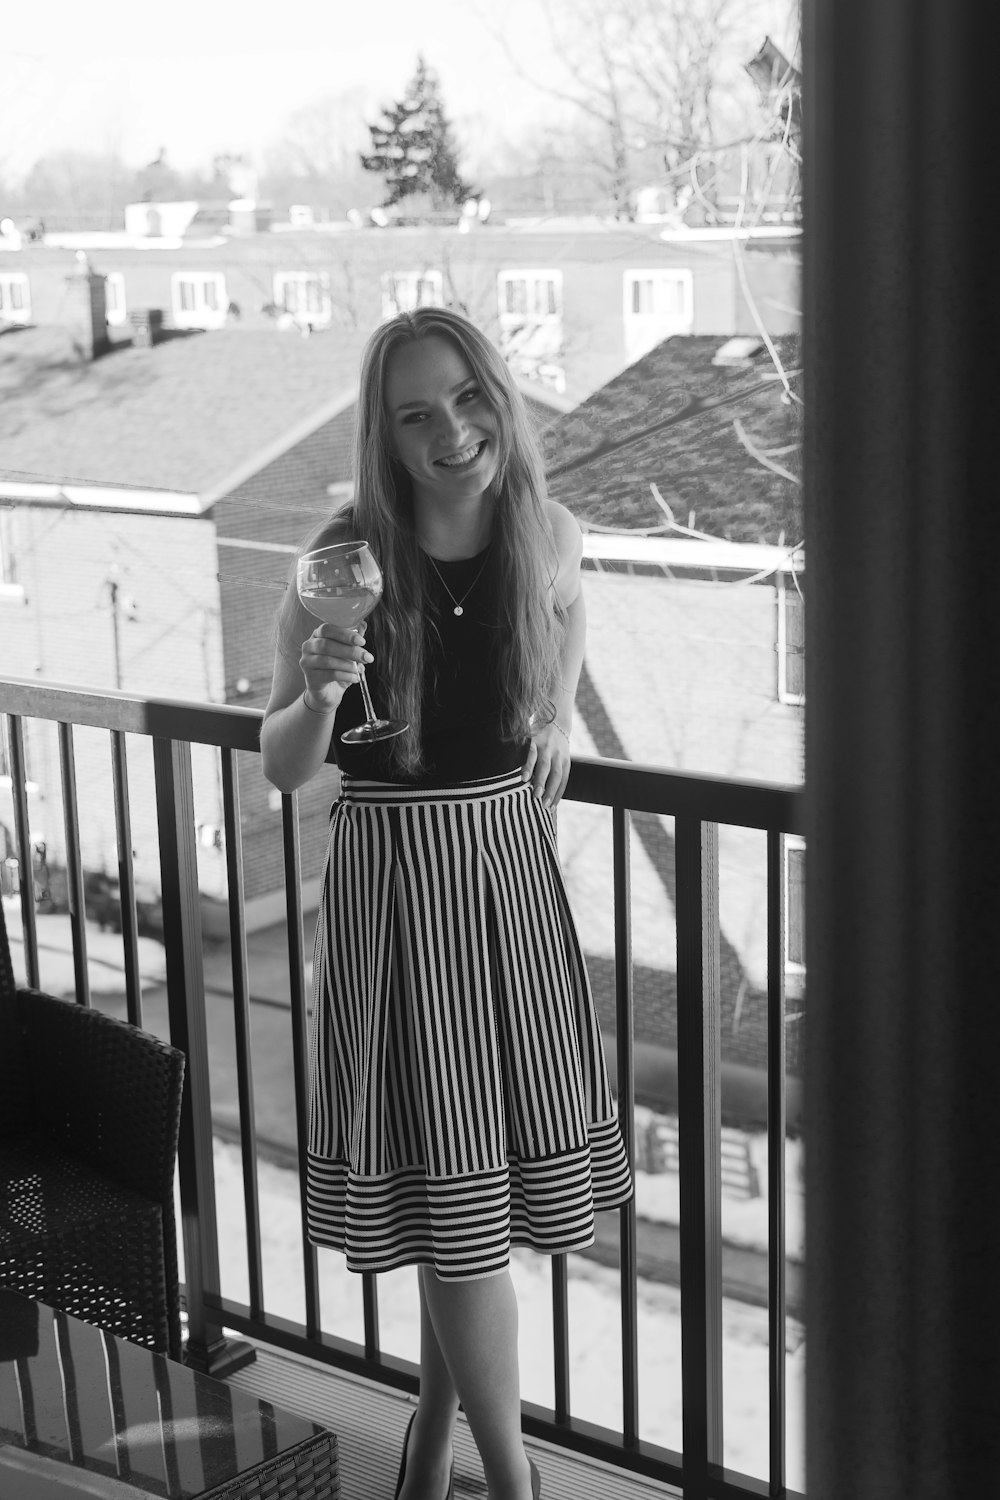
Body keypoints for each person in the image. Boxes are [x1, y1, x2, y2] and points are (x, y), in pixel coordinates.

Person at [261, 307, 632, 1500]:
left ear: (498, 396)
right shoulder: (338, 561)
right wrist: (318, 690)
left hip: (505, 877)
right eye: (415, 412)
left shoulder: (551, 533)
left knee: (457, 1192)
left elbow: (569, 615)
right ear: (385, 432)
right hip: (394, 885)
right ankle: (514, 1484)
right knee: (457, 1197)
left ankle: (428, 1454)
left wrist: (560, 713)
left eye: (466, 396)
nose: (451, 429)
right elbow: (280, 764)